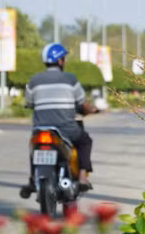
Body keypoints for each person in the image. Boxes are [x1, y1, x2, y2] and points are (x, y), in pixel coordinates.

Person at [22, 43, 98, 194]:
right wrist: (92, 110)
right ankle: (82, 178)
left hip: (40, 129)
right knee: (85, 141)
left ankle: (32, 179)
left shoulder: (34, 80)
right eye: (64, 58)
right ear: (60, 61)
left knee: (34, 147)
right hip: (66, 129)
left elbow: (29, 103)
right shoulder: (70, 79)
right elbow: (82, 104)